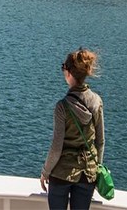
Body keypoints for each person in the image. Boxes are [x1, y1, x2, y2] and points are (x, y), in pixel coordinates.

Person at [40, 48, 104, 210]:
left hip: (61, 173)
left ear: (68, 73)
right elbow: (100, 141)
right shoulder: (96, 101)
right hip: (87, 173)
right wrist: (97, 170)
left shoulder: (62, 106)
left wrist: (45, 172)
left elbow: (56, 146)